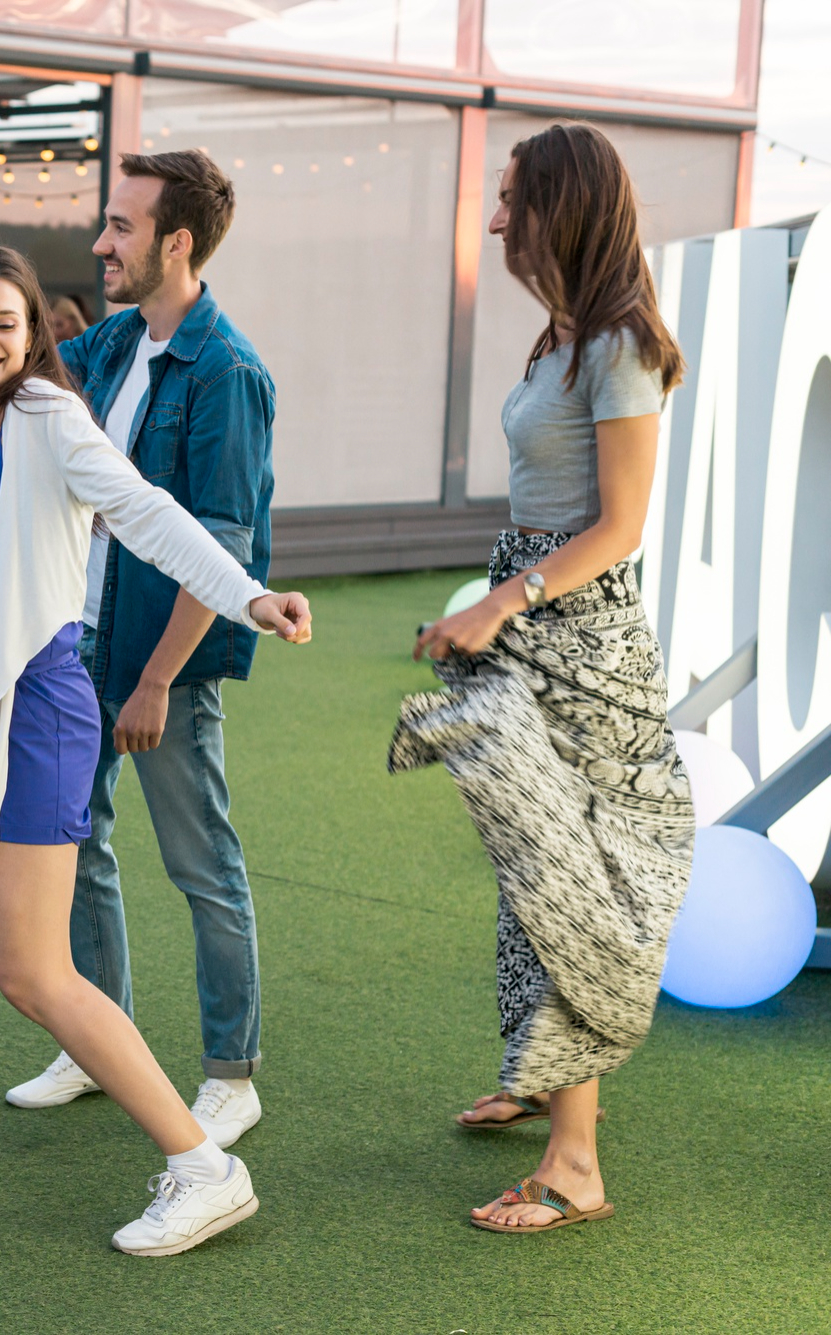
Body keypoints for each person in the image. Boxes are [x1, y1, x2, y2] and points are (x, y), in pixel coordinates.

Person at [0, 246, 311, 1256]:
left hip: (34, 707)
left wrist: (247, 597)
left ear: (31, 333)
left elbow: (145, 513)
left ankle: (203, 1166)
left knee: (32, 974)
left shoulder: (46, 420)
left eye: (3, 323)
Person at [0, 151, 277, 1152]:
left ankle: (226, 1073)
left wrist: (158, 675)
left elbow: (201, 528)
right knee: (84, 853)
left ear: (176, 242)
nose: (100, 245)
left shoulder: (228, 372)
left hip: (163, 653)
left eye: (119, 227)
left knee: (200, 862)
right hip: (71, 642)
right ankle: (91, 1041)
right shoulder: (107, 345)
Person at [391, 123, 692, 1234]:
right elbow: (540, 517)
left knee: (565, 882)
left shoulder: (617, 342)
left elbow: (616, 528)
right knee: (528, 871)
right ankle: (536, 1073)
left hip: (582, 639)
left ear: (560, 204)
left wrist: (499, 602)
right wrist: (485, 605)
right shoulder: (560, 335)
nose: (494, 217)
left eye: (511, 196)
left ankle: (574, 1166)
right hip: (530, 617)